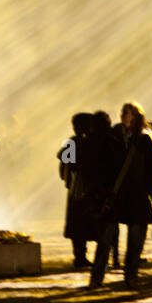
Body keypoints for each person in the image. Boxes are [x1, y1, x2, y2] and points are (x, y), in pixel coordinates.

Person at [90, 102, 152, 290]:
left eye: (129, 114)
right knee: (105, 241)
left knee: (136, 241)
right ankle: (97, 278)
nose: (125, 117)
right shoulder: (111, 137)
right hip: (114, 194)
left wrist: (148, 189)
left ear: (137, 117)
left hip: (137, 193)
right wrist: (103, 190)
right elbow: (102, 165)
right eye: (124, 113)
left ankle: (131, 276)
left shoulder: (144, 140)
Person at [60, 113, 94, 268]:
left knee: (76, 223)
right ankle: (81, 255)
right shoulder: (91, 143)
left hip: (74, 187)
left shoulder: (71, 143)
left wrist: (68, 181)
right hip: (87, 187)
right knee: (84, 221)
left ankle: (79, 254)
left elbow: (64, 166)